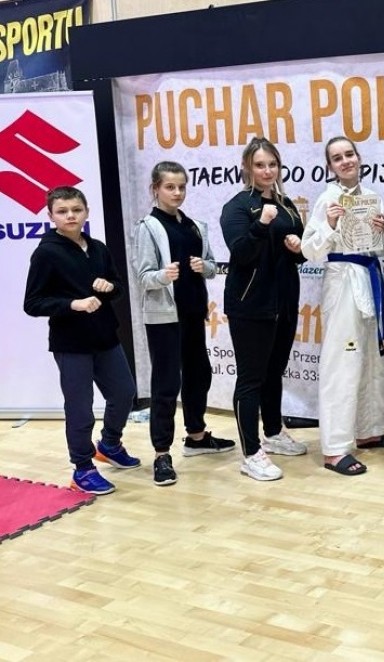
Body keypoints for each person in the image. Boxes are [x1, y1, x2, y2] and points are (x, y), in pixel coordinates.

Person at [24, 186, 140, 494]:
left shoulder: (98, 248)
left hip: (105, 336)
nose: (70, 216)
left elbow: (117, 287)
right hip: (71, 343)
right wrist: (72, 304)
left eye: (76, 209)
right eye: (62, 211)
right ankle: (82, 468)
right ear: (51, 216)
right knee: (80, 407)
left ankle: (110, 444)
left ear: (86, 211)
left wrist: (109, 288)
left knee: (124, 393)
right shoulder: (46, 253)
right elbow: (32, 303)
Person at [301, 136, 384, 477]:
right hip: (342, 281)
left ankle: (369, 431)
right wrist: (329, 224)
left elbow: (379, 248)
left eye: (349, 154)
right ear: (330, 166)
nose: (345, 161)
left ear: (359, 158)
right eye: (337, 157)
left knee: (371, 357)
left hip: (369, 277)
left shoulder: (372, 197)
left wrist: (382, 232)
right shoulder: (327, 199)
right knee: (342, 363)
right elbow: (309, 250)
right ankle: (335, 448)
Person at [133, 162, 236, 487]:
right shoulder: (148, 227)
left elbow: (212, 267)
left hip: (193, 313)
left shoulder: (194, 226)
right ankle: (161, 454)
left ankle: (196, 436)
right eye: (170, 187)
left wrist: (204, 266)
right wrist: (163, 276)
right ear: (155, 189)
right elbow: (143, 277)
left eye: (181, 187)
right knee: (166, 384)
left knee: (198, 375)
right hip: (164, 317)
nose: (177, 193)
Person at [220, 136, 308, 481]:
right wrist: (261, 224)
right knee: (251, 378)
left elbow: (298, 252)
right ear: (247, 168)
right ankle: (251, 453)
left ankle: (272, 432)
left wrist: (298, 248)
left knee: (274, 371)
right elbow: (241, 253)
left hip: (284, 301)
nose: (267, 171)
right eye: (260, 165)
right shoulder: (238, 206)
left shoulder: (286, 204)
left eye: (272, 164)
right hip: (250, 304)